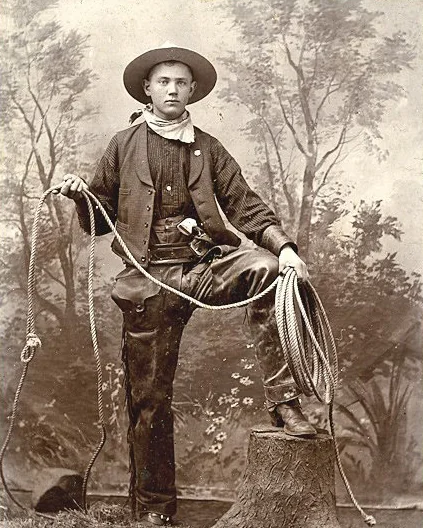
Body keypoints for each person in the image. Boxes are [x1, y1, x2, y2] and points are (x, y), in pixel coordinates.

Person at [59, 43, 317, 526]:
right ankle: (154, 510)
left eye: (181, 82)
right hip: (147, 278)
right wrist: (80, 197)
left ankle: (286, 401)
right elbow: (97, 223)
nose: (172, 89)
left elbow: (245, 204)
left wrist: (284, 247)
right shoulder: (122, 144)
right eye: (163, 81)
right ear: (148, 90)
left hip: (203, 268)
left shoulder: (208, 147)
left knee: (266, 271)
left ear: (192, 90)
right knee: (150, 399)